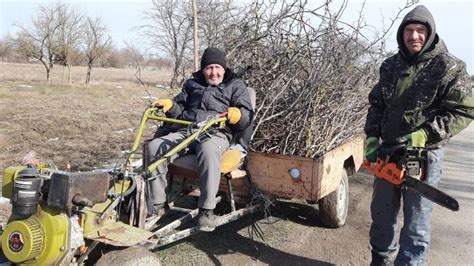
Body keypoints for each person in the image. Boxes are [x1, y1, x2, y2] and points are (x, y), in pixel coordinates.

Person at [363, 5, 473, 265]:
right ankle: (380, 259)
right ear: (402, 34)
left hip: (424, 157)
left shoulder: (448, 67)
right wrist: (370, 137)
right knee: (381, 215)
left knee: (416, 223)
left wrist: (426, 134)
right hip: (388, 151)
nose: (414, 36)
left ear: (430, 33)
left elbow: (465, 110)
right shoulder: (390, 66)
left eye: (420, 30)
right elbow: (377, 104)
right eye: (409, 30)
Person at [147, 47, 254, 232]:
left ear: (223, 68)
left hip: (216, 134)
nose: (213, 72)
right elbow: (180, 110)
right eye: (208, 68)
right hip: (188, 131)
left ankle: (206, 210)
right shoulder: (192, 84)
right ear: (203, 70)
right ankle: (157, 205)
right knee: (155, 146)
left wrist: (239, 114)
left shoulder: (235, 85)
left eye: (217, 67)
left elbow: (246, 114)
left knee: (208, 150)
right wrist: (170, 105)